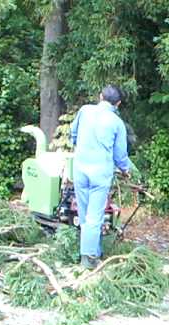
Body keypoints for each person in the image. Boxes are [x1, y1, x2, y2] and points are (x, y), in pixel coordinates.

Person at [70, 85, 131, 269]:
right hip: (100, 174)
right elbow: (120, 155)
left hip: (80, 170)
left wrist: (79, 147)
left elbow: (73, 134)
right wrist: (125, 169)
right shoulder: (117, 123)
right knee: (95, 216)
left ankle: (94, 250)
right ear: (118, 104)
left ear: (100, 96)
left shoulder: (84, 111)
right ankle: (88, 259)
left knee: (84, 213)